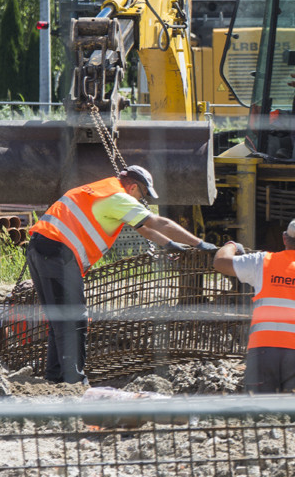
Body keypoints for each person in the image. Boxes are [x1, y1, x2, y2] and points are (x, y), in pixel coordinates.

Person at [27, 165, 218, 385]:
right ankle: (74, 381)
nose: (142, 200)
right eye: (142, 195)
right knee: (74, 318)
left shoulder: (101, 190)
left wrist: (170, 244)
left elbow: (144, 229)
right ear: (134, 187)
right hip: (58, 252)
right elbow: (159, 222)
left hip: (41, 249)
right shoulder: (119, 197)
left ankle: (56, 377)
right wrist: (200, 243)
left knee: (60, 317)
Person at [212, 217, 295, 394]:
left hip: (263, 352)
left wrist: (232, 245)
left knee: (260, 413)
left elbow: (220, 262)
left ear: (284, 239)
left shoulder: (262, 262)